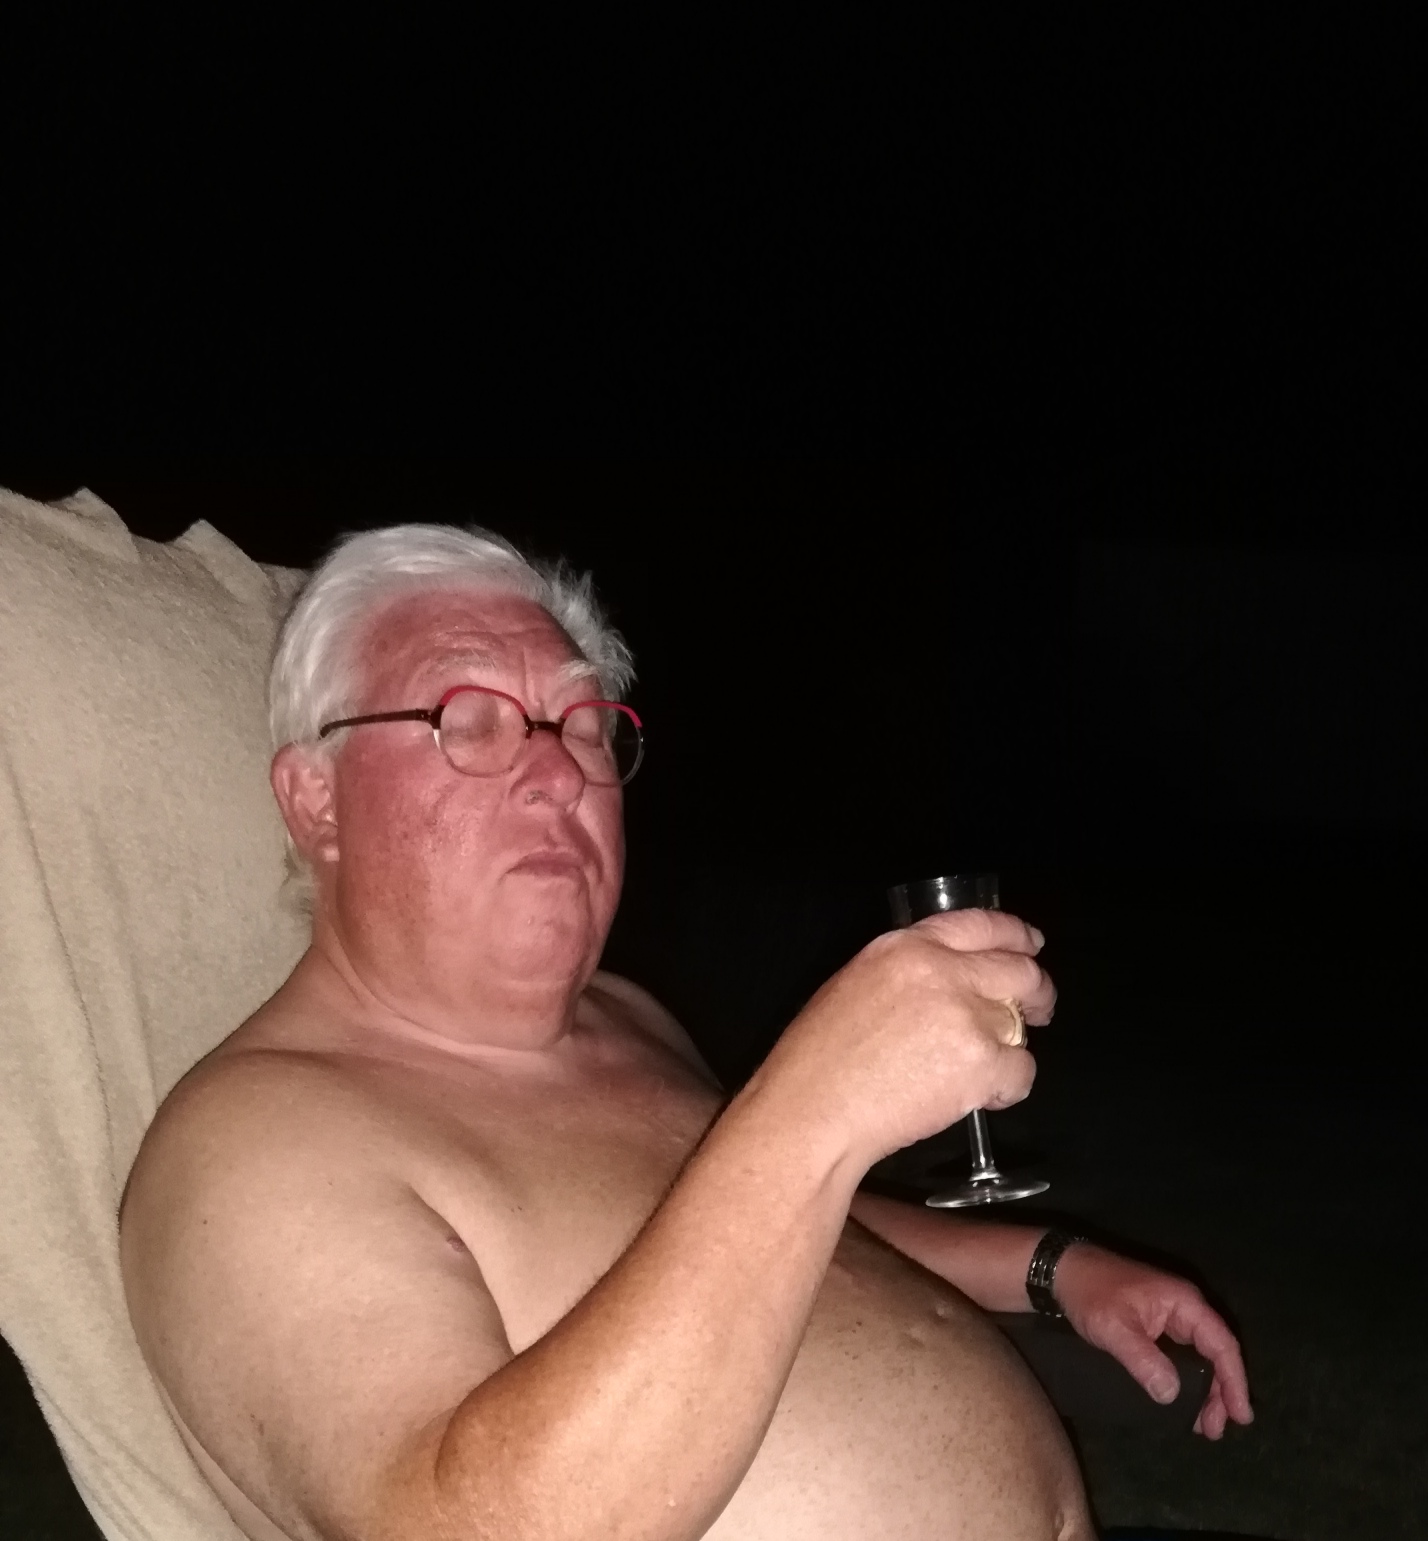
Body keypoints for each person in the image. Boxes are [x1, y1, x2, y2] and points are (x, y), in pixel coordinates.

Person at [120, 524, 1252, 1541]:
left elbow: (773, 1219)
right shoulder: (249, 1146)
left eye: (584, 725)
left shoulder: (624, 1015)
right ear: (314, 799)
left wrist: (1048, 1265)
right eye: (466, 721)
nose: (556, 770)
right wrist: (817, 1102)